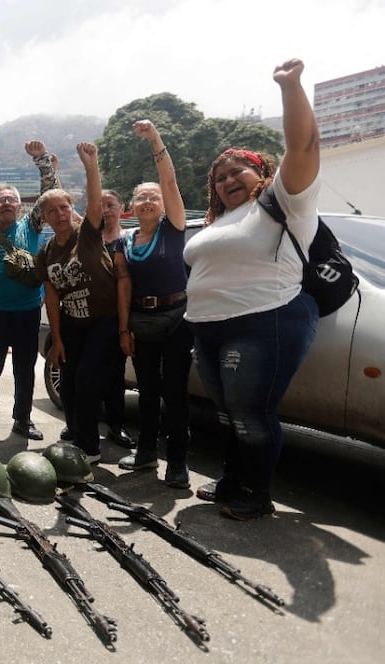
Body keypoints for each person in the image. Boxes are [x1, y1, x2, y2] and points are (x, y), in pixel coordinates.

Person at [184, 59, 321, 520]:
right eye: (219, 177)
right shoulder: (219, 220)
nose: (227, 181)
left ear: (261, 173)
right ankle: (230, 481)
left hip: (266, 319)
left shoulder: (282, 202)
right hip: (209, 329)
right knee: (226, 415)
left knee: (251, 414)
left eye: (238, 171)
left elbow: (303, 146)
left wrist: (290, 86)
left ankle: (256, 495)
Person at [115, 120, 192, 489]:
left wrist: (155, 139)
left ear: (163, 204)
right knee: (147, 391)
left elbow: (170, 181)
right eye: (141, 197)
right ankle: (146, 453)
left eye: (154, 196)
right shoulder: (125, 241)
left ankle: (177, 462)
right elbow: (124, 286)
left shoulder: (173, 228)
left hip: (177, 319)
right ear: (131, 206)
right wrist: (124, 328)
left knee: (174, 394)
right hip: (141, 323)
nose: (148, 200)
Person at [0, 140, 59, 444]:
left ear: (19, 207)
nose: (7, 203)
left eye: (12, 200)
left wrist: (42, 160)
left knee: (25, 370)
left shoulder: (30, 227)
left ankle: (22, 420)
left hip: (27, 312)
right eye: (1, 200)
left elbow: (48, 194)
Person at [37, 141, 119, 463]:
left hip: (103, 320)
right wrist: (56, 340)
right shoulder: (47, 252)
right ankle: (75, 433)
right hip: (72, 324)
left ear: (72, 211)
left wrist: (91, 165)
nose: (59, 214)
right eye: (52, 210)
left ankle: (90, 448)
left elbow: (96, 202)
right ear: (44, 218)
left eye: (64, 208)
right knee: (68, 383)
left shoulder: (87, 233)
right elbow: (52, 296)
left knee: (86, 378)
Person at [94, 188, 135, 449]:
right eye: (101, 206)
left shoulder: (131, 239)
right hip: (89, 318)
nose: (106, 210)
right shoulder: (89, 240)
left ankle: (116, 426)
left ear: (122, 208)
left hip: (120, 318)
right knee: (83, 374)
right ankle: (78, 422)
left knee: (115, 377)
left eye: (111, 204)